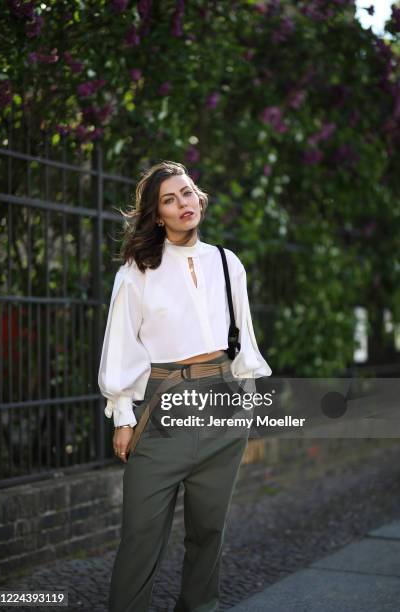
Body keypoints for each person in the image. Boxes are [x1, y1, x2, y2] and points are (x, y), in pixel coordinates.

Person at [98, 160, 272, 612]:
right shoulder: (136, 271)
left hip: (225, 402)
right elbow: (121, 347)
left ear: (200, 198)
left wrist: (248, 404)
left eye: (188, 193)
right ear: (157, 215)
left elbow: (243, 337)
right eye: (169, 200)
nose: (183, 204)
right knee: (140, 536)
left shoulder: (226, 262)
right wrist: (123, 416)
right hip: (164, 405)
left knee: (209, 531)